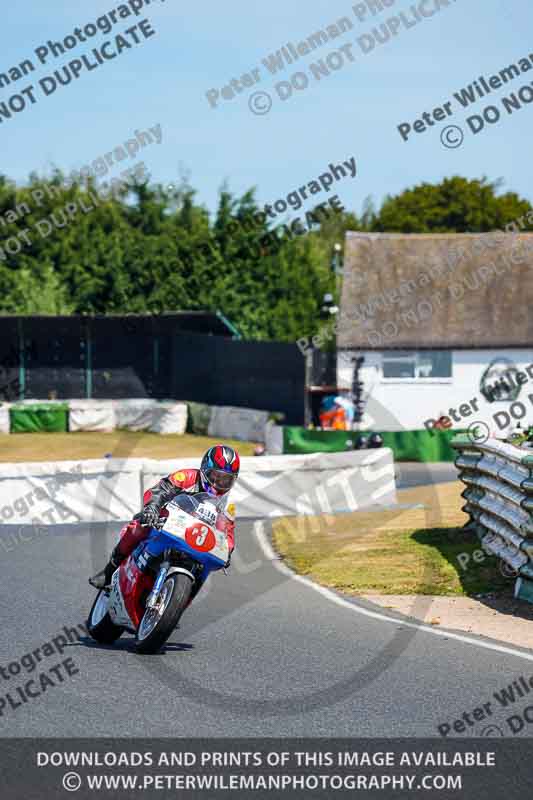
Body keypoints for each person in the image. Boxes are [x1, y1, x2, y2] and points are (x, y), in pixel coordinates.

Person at [89, 444, 240, 590]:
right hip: (166, 521)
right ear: (205, 470)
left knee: (206, 567)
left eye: (226, 480)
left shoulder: (228, 504)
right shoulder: (187, 477)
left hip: (196, 538)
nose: (218, 484)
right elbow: (159, 490)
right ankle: (109, 571)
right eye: (215, 476)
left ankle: (181, 596)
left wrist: (227, 551)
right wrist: (152, 508)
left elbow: (228, 533)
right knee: (139, 527)